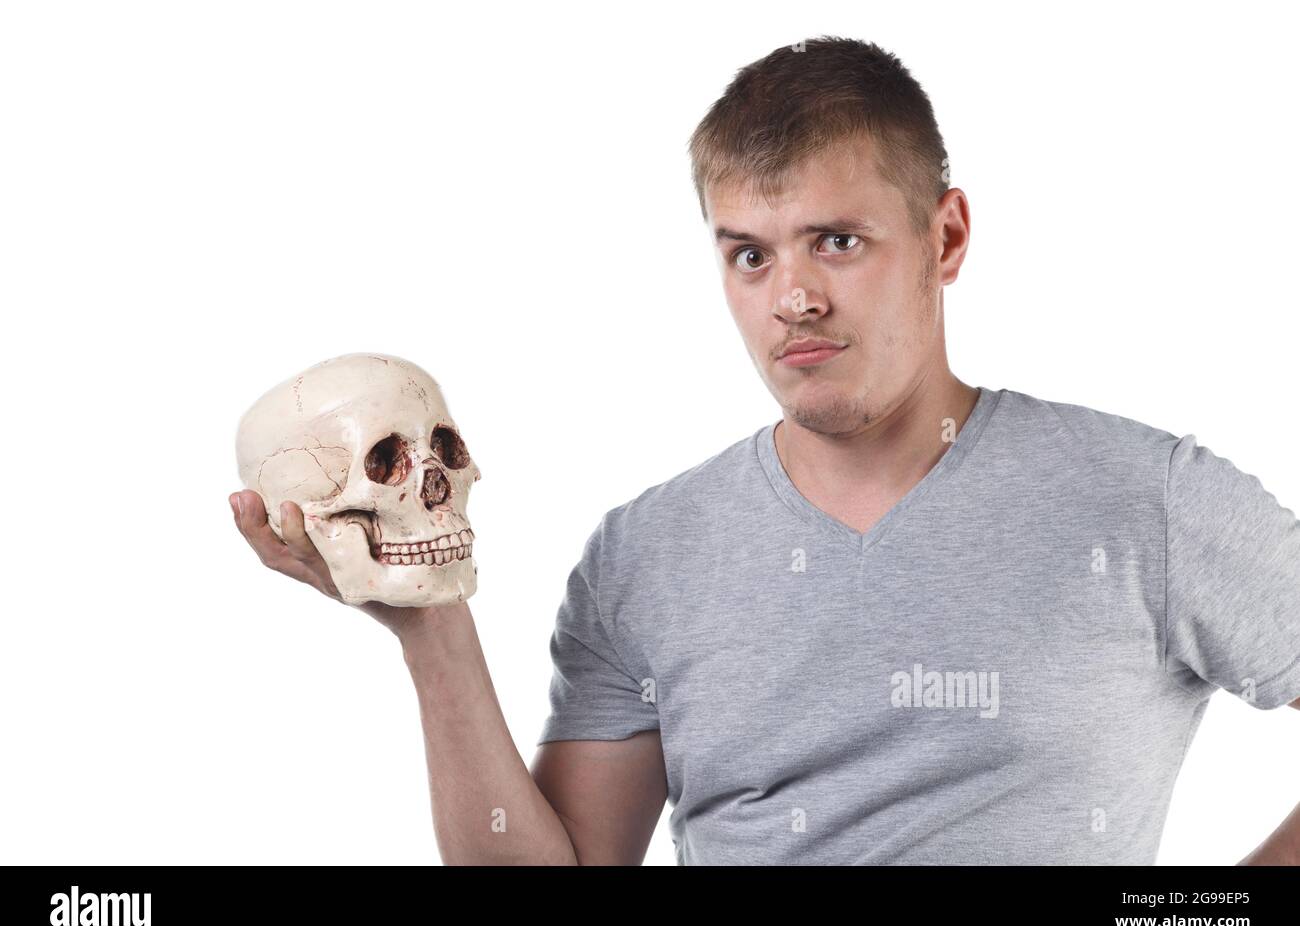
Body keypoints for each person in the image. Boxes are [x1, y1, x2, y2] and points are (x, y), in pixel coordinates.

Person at [229, 36, 1300, 865]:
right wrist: (432, 634)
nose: (791, 298)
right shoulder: (645, 553)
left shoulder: (1142, 502)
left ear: (946, 237)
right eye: (748, 254)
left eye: (836, 240)